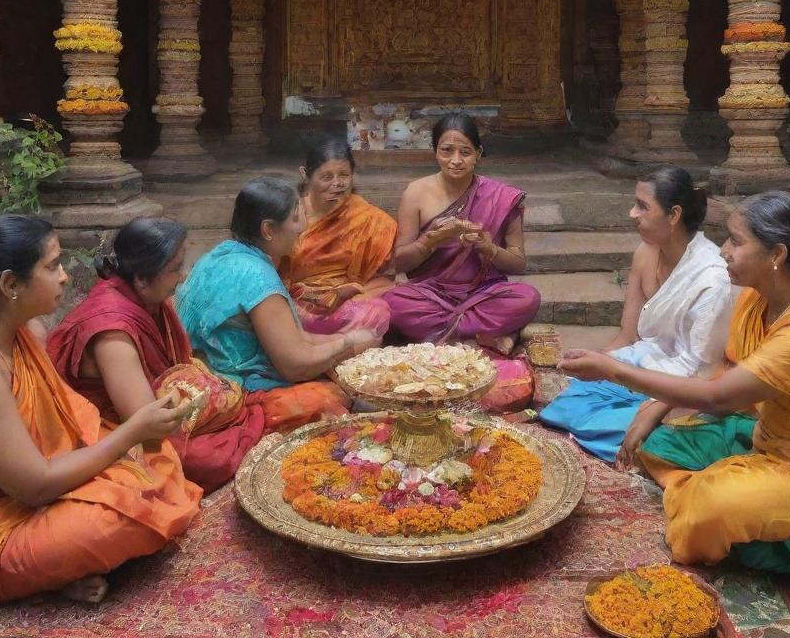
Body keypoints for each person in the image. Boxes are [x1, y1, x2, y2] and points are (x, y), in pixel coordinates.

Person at [561, 192, 790, 609]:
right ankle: (741, 508)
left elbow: (718, 397)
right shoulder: (758, 300)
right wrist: (656, 405)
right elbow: (728, 369)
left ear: (777, 254)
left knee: (710, 508)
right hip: (767, 437)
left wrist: (613, 369)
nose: (723, 251)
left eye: (736, 241)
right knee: (657, 443)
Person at [0, 214, 200, 635]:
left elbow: (62, 428)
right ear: (11, 285)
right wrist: (131, 432)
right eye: (52, 266)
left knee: (155, 468)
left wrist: (128, 441)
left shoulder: (25, 329)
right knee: (113, 523)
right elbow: (35, 484)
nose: (66, 277)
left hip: (9, 483)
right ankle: (4, 576)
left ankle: (51, 568)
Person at [47, 217, 269, 494]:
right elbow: (148, 424)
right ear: (141, 279)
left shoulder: (145, 298)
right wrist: (211, 400)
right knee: (207, 456)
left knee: (270, 412)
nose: (183, 277)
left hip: (155, 417)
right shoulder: (112, 332)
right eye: (175, 269)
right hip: (116, 434)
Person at [540, 167, 734, 465]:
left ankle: (641, 440)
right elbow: (628, 335)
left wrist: (655, 404)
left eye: (642, 206)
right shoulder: (646, 253)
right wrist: (596, 364)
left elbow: (706, 372)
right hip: (641, 364)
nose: (632, 213)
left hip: (681, 388)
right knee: (567, 403)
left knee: (618, 427)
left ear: (674, 215)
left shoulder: (712, 277)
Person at [175, 177, 378, 401]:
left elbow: (292, 337)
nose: (303, 227)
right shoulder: (257, 276)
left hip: (198, 377)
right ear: (268, 229)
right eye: (294, 219)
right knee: (337, 398)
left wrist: (343, 340)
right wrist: (348, 343)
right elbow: (295, 365)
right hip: (232, 389)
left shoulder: (219, 255)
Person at [383, 113, 541, 354]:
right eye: (447, 150)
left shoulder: (502, 195)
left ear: (478, 154)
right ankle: (481, 337)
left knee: (526, 297)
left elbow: (518, 264)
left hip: (483, 292)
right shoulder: (416, 192)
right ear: (435, 151)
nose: (455, 160)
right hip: (431, 292)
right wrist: (430, 241)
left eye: (465, 152)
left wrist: (490, 249)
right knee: (393, 303)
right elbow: (399, 263)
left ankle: (443, 337)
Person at [279, 136, 394, 338]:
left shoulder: (368, 218)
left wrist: (347, 297)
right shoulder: (289, 214)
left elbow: (385, 278)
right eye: (326, 177)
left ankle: (329, 349)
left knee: (378, 311)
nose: (337, 184)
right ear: (305, 175)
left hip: (347, 308)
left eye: (344, 175)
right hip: (296, 306)